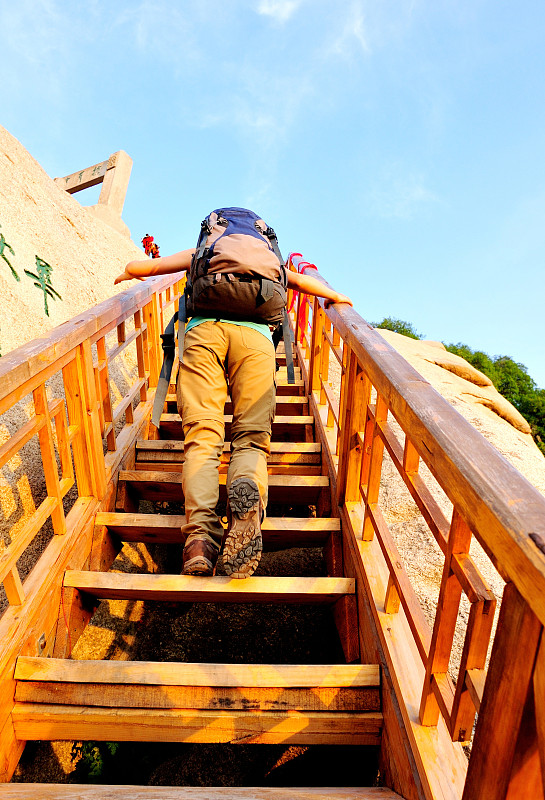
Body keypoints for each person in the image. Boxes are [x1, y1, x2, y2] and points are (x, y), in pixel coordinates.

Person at [115, 244, 352, 579]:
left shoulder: (206, 250)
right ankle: (246, 496)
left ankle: (199, 541)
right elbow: (300, 282)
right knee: (251, 440)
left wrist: (129, 270)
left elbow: (147, 269)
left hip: (203, 334)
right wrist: (336, 295)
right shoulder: (267, 261)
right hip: (256, 339)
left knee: (202, 439)